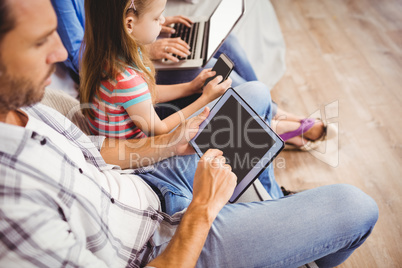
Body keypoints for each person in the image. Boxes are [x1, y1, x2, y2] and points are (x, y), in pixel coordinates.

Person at [0, 0, 379, 267]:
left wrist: (168, 146)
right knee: (356, 207)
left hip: (146, 182)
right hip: (162, 246)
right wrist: (201, 209)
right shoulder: (13, 208)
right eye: (38, 42)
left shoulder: (24, 106)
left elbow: (96, 150)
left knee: (254, 96)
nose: (61, 51)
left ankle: (268, 205)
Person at [51, 0, 337, 151]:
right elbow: (159, 130)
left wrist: (191, 86)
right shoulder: (124, 77)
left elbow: (146, 97)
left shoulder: (111, 62)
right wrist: (202, 98)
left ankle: (274, 121)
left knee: (225, 55)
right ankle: (275, 127)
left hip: (142, 128)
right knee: (228, 104)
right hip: (147, 155)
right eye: (157, 17)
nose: (163, 20)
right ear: (129, 24)